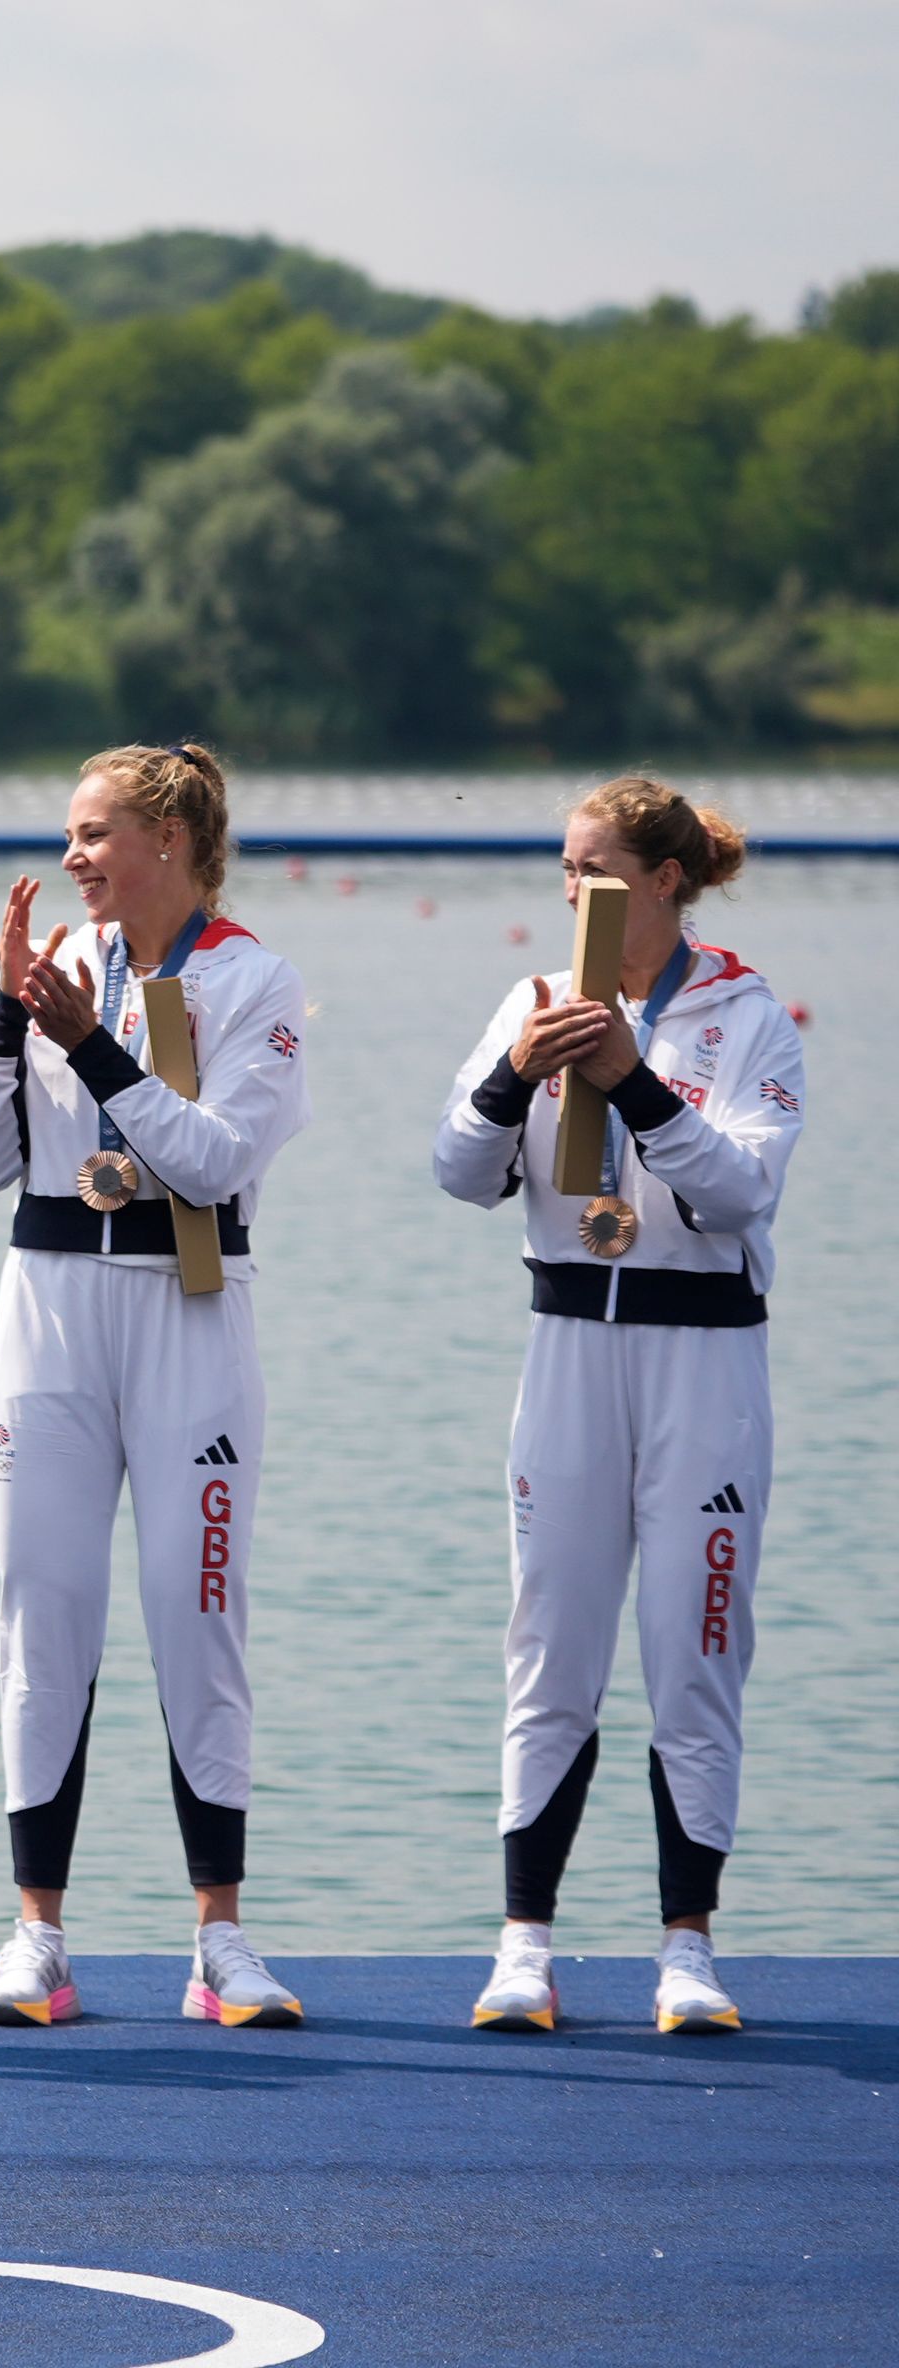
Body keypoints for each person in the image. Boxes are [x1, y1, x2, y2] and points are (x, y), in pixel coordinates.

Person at [0, 744, 311, 2030]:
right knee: (44, 1616)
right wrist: (2, 1013)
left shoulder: (255, 979)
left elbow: (210, 1162)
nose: (73, 857)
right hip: (47, 1313)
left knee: (194, 1613)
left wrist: (93, 1050)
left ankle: (221, 1942)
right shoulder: (51, 973)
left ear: (171, 838)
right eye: (70, 833)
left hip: (190, 1315)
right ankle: (37, 1935)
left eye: (95, 834)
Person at [433, 780, 799, 2036]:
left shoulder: (750, 1017)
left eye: (594, 869)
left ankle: (687, 1950)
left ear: (662, 880)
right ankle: (523, 1946)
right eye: (563, 866)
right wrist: (509, 1084)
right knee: (550, 1644)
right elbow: (455, 1171)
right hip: (566, 1354)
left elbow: (742, 1190)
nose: (571, 891)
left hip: (704, 1363)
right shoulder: (530, 1005)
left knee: (695, 1651)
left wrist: (636, 1080)